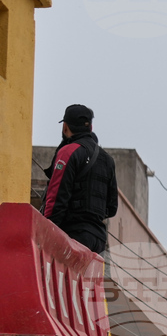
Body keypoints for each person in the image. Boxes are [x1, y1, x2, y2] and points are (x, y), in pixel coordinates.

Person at [41, 104, 118, 254]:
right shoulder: (108, 160)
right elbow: (112, 207)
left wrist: (46, 232)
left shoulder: (68, 152)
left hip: (73, 236)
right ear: (91, 128)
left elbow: (56, 198)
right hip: (98, 241)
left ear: (65, 127)